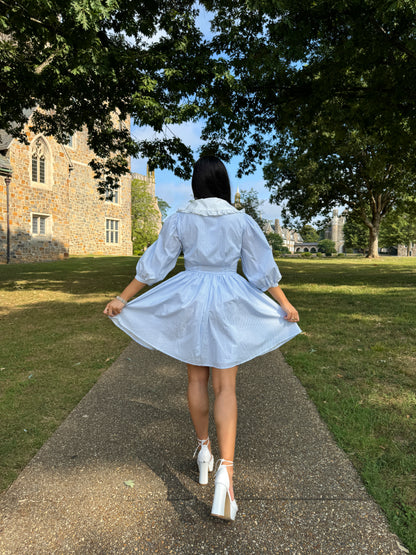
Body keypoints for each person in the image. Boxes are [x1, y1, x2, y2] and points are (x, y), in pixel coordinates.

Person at [104, 156, 301, 521]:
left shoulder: (181, 218)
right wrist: (285, 304)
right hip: (228, 298)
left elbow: (156, 264)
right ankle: (226, 474)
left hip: (191, 296)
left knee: (196, 378)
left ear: (196, 184)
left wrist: (122, 298)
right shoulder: (240, 220)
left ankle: (204, 451)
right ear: (224, 183)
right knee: (225, 386)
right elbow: (261, 269)